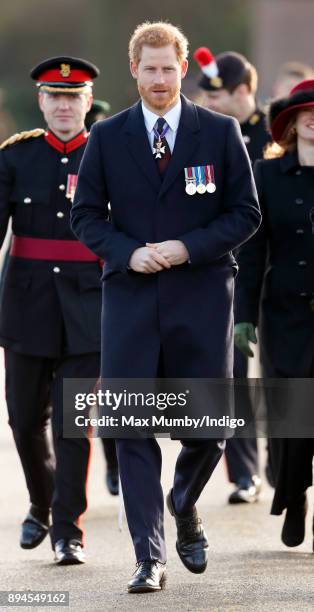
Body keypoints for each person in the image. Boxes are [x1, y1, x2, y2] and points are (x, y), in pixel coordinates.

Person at [71, 21, 261, 593]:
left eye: (168, 68)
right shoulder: (105, 137)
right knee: (131, 429)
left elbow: (245, 214)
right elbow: (85, 217)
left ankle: (183, 502)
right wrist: (127, 254)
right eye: (149, 68)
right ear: (134, 71)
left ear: (183, 69)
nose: (159, 79)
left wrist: (187, 247)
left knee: (208, 430)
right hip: (129, 300)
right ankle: (147, 557)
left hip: (201, 300)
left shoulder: (222, 133)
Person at [0, 56, 102, 565]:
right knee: (22, 421)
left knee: (73, 423)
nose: (64, 105)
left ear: (87, 102)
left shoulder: (109, 156)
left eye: (73, 96)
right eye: (54, 96)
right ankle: (40, 504)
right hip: (26, 306)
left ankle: (69, 530)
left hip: (90, 310)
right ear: (41, 101)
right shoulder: (15, 158)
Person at [234, 79, 314, 552]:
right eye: (306, 111)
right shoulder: (266, 175)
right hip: (282, 315)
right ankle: (294, 494)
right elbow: (253, 249)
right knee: (289, 420)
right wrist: (243, 314)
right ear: (291, 122)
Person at [194, 47, 270, 503]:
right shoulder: (207, 136)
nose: (213, 104)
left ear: (244, 91)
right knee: (233, 374)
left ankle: (287, 462)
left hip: (275, 271)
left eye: (220, 96)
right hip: (227, 267)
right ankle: (245, 473)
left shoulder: (274, 132)